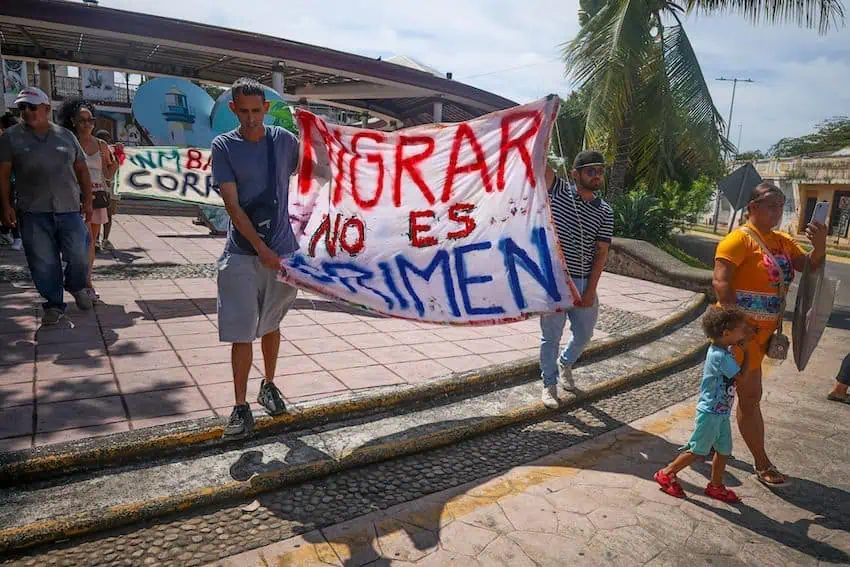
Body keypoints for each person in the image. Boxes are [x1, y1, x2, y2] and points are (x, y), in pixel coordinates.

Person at [713, 182, 827, 486]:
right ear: (753, 207)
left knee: (724, 395)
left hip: (764, 335)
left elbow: (809, 266)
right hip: (738, 335)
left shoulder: (782, 242)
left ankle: (710, 439)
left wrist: (821, 244)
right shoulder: (737, 241)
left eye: (780, 205)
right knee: (750, 396)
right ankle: (762, 462)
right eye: (770, 205)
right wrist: (737, 328)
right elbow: (721, 284)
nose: (777, 211)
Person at [212, 78, 299, 438]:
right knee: (241, 332)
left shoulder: (285, 142)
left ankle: (269, 385)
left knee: (272, 325)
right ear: (233, 109)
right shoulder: (224, 147)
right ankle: (239, 406)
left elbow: (318, 171)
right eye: (243, 111)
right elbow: (232, 206)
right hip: (244, 253)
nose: (250, 119)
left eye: (256, 111)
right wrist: (262, 250)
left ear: (266, 109)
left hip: (282, 252)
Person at [0, 87, 94, 324]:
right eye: (22, 107)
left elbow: (82, 169)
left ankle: (76, 285)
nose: (28, 112)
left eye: (33, 107)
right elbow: (2, 175)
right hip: (33, 211)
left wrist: (89, 200)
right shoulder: (11, 138)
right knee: (43, 260)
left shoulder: (66, 136)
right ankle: (53, 304)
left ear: (46, 109)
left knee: (79, 253)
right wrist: (5, 206)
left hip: (69, 208)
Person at [539, 150, 614, 408]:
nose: (596, 176)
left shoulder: (605, 211)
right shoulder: (558, 191)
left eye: (600, 171)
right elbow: (538, 161)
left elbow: (601, 252)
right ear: (575, 173)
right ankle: (549, 384)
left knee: (584, 334)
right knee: (551, 336)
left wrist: (591, 290)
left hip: (583, 280)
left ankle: (565, 363)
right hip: (555, 280)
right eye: (590, 170)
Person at [654, 305, 752, 502]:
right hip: (711, 412)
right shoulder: (720, 355)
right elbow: (741, 378)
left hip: (721, 412)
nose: (745, 332)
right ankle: (666, 473)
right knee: (698, 449)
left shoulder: (724, 349)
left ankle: (715, 485)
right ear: (726, 333)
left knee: (724, 450)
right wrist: (748, 353)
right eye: (741, 329)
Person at [61, 100, 118, 303]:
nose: (87, 124)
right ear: (73, 121)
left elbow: (108, 174)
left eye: (90, 120)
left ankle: (87, 281)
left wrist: (117, 162)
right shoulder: (67, 142)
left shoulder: (101, 145)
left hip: (96, 197)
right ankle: (74, 279)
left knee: (90, 242)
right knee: (76, 244)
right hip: (72, 198)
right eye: (82, 120)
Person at [95, 129, 121, 250]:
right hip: (100, 189)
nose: (106, 142)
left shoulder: (114, 152)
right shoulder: (94, 152)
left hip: (111, 189)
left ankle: (104, 239)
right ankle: (97, 239)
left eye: (107, 140)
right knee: (99, 216)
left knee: (108, 216)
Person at [0, 113, 22, 251]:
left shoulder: (8, 139)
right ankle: (8, 232)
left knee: (9, 207)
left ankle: (15, 235)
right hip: (10, 178)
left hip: (11, 178)